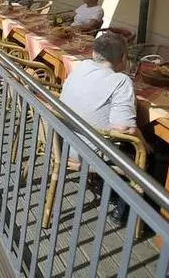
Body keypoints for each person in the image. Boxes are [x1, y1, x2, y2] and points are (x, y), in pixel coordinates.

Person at [60, 32, 143, 222]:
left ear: (93, 53)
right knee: (143, 152)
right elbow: (124, 129)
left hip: (61, 141)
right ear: (123, 58)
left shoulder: (80, 67)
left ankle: (110, 190)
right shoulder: (121, 81)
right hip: (87, 152)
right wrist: (145, 143)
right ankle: (125, 213)